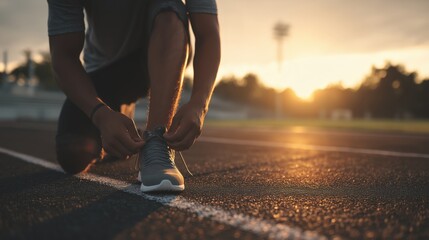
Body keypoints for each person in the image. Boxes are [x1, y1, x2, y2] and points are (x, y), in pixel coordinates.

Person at [47, 0, 221, 192]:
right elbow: (63, 55)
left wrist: (199, 104)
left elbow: (208, 34)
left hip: (166, 51)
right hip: (106, 68)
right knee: (73, 152)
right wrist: (100, 114)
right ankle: (121, 122)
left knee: (170, 9)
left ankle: (157, 142)